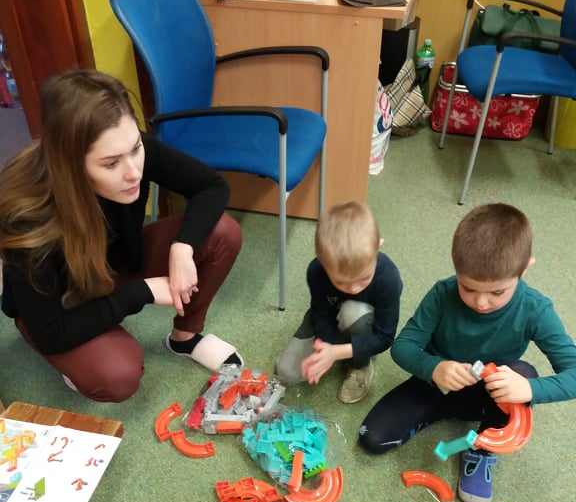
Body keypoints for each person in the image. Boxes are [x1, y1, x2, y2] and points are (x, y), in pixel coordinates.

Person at [0, 70, 242, 403]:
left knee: (221, 232)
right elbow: (51, 334)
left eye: (136, 149)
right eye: (111, 163)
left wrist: (182, 247)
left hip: (113, 264)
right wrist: (140, 292)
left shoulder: (126, 148)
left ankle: (185, 338)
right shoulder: (26, 216)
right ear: (71, 165)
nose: (133, 172)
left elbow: (211, 185)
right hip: (62, 305)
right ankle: (82, 357)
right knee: (117, 375)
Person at [359, 203, 576, 502]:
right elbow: (403, 346)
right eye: (468, 288)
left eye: (497, 292)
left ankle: (482, 449)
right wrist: (434, 368)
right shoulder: (442, 293)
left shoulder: (536, 310)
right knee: (372, 438)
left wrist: (529, 389)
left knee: (524, 373)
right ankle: (437, 411)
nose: (481, 302)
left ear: (525, 269)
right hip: (436, 384)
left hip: (489, 395)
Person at [275, 201, 402, 403]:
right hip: (330, 317)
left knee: (353, 312)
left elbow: (384, 337)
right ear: (321, 260)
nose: (354, 289)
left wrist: (337, 352)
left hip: (361, 321)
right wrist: (323, 348)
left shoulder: (388, 278)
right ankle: (344, 345)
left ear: (378, 246)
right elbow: (320, 313)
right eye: (341, 282)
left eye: (363, 278)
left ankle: (359, 365)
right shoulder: (316, 271)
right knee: (286, 372)